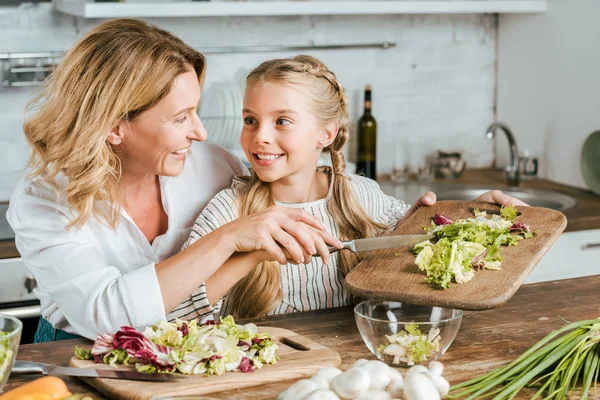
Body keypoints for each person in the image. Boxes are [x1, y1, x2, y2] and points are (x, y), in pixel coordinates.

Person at [6, 19, 346, 342]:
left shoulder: (214, 166)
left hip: (188, 350)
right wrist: (226, 239)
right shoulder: (44, 200)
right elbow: (104, 316)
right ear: (113, 127)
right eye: (181, 118)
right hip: (74, 354)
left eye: (195, 111)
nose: (200, 132)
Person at [169, 55, 527, 322]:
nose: (260, 136)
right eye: (250, 120)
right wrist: (251, 256)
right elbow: (174, 314)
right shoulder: (229, 211)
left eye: (282, 121)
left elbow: (425, 259)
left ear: (325, 134)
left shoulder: (361, 196)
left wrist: (469, 219)